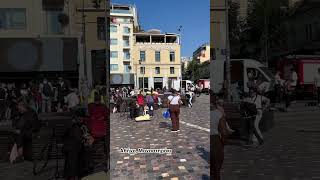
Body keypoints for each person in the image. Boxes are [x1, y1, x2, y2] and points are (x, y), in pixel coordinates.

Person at [210, 94, 228, 180]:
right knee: (217, 166)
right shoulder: (218, 114)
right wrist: (223, 143)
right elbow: (223, 132)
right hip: (214, 140)